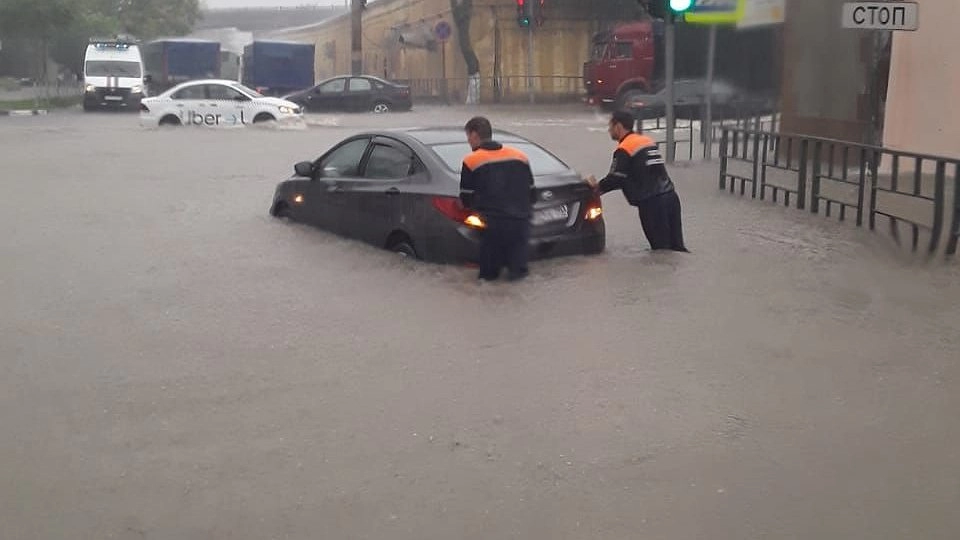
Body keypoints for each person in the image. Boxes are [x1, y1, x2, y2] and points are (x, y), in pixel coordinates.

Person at [586, 111, 688, 252]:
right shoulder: (647, 141)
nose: (609, 130)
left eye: (610, 126)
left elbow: (616, 178)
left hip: (652, 204)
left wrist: (595, 188)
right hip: (671, 198)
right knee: (677, 249)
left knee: (661, 251)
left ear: (618, 126)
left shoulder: (624, 148)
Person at [459, 116, 536, 282]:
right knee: (519, 276)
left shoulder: (471, 161)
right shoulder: (520, 156)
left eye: (468, 137)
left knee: (489, 278)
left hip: (493, 226)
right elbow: (532, 193)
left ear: (474, 135)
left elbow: (466, 199)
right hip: (521, 223)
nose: (468, 141)